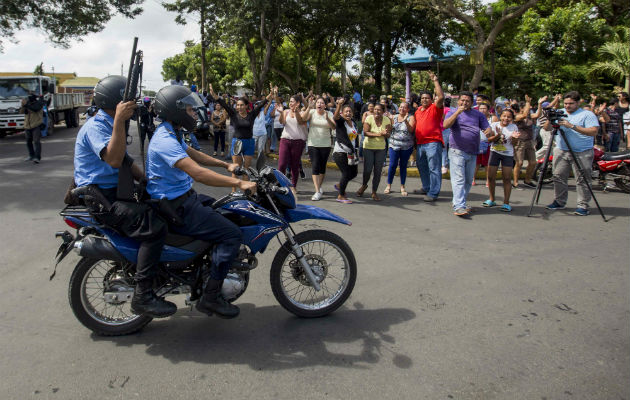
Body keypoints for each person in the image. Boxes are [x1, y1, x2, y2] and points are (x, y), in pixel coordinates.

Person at [147, 85, 257, 318]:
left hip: (183, 199)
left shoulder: (172, 132)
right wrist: (239, 183)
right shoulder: (164, 139)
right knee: (231, 235)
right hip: (176, 206)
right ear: (175, 111)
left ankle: (206, 271)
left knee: (226, 210)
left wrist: (226, 165)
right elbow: (197, 172)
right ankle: (211, 297)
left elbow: (193, 154)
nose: (195, 113)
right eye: (189, 109)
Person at [73, 75, 175, 318]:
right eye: (128, 101)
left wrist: (146, 180)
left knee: (163, 209)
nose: (134, 105)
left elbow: (126, 161)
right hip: (102, 199)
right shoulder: (97, 126)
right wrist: (119, 120)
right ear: (116, 102)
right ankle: (143, 296)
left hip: (115, 192)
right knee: (155, 228)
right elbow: (114, 159)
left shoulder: (109, 123)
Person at [209, 84, 274, 188]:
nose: (239, 107)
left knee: (246, 170)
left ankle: (245, 192)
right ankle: (234, 192)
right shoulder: (233, 114)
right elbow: (223, 104)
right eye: (237, 105)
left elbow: (262, 104)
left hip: (249, 143)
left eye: (241, 105)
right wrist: (214, 94)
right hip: (237, 142)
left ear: (246, 106)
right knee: (236, 169)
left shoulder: (252, 115)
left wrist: (270, 94)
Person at [546, 91, 599, 216]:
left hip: (582, 151)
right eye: (565, 103)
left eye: (571, 103)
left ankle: (583, 205)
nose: (567, 106)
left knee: (582, 179)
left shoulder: (587, 114)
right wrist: (550, 118)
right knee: (558, 176)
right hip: (561, 149)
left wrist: (572, 126)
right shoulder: (559, 112)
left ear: (578, 102)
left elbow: (593, 131)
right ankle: (559, 201)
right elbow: (546, 128)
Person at [443, 91, 492, 216]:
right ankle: (459, 206)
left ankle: (460, 202)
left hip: (473, 151)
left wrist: (488, 131)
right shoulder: (453, 111)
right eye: (462, 100)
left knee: (468, 180)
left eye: (467, 101)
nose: (464, 103)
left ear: (472, 102)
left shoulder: (478, 114)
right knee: (459, 179)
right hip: (457, 150)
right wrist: (458, 112)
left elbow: (487, 127)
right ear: (458, 101)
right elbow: (445, 125)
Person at [413, 71, 445, 202]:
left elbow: (441, 97)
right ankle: (426, 187)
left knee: (434, 168)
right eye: (422, 98)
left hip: (433, 142)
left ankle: (433, 192)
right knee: (422, 167)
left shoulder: (435, 108)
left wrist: (435, 81)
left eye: (427, 98)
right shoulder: (417, 111)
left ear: (431, 99)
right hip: (420, 144)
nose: (424, 100)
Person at [483, 109, 518, 212]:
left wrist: (515, 138)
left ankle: (506, 203)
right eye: (504, 116)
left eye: (508, 117)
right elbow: (489, 140)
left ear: (511, 119)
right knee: (490, 177)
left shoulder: (514, 127)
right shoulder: (494, 125)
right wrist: (498, 135)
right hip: (494, 153)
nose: (506, 118)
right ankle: (491, 199)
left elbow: (514, 144)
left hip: (507, 154)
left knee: (507, 178)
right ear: (500, 116)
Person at [303, 97, 335, 200]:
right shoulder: (312, 112)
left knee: (322, 167)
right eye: (318, 102)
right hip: (313, 143)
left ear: (325, 105)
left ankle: (319, 187)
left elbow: (334, 127)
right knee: (315, 166)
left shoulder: (329, 114)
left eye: (322, 103)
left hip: (325, 144)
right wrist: (309, 107)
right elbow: (303, 119)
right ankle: (317, 191)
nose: (319, 104)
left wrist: (327, 118)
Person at [511, 95, 544, 189]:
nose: (528, 109)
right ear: (521, 108)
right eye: (526, 107)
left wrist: (539, 104)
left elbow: (537, 115)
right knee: (519, 163)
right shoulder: (516, 117)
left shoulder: (529, 116)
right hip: (520, 142)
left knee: (533, 162)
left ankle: (527, 180)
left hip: (529, 141)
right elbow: (524, 115)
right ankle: (515, 183)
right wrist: (528, 102)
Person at [359, 103, 391, 201]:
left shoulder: (387, 120)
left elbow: (388, 135)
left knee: (377, 171)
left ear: (383, 111)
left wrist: (386, 134)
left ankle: (374, 192)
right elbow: (365, 132)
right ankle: (364, 185)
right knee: (367, 170)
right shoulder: (369, 118)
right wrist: (379, 134)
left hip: (381, 148)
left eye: (379, 110)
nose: (376, 111)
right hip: (368, 147)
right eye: (375, 110)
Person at [278, 95, 309, 194]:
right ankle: (280, 185)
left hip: (298, 142)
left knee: (294, 165)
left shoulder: (303, 113)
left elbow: (301, 122)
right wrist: (280, 113)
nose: (290, 103)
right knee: (282, 164)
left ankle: (293, 186)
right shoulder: (286, 111)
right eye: (289, 102)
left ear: (298, 103)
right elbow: (282, 122)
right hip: (285, 140)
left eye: (292, 101)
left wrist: (296, 112)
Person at [385, 102, 415, 196]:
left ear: (408, 109)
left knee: (403, 166)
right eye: (400, 107)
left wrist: (406, 121)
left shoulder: (411, 117)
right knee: (392, 165)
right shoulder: (393, 117)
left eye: (404, 107)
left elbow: (411, 130)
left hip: (406, 146)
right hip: (394, 145)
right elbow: (390, 129)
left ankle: (402, 186)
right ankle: (389, 185)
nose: (402, 109)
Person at [332, 99, 359, 204]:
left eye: (350, 111)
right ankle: (341, 195)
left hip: (351, 153)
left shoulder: (354, 123)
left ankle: (340, 185)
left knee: (354, 173)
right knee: (346, 172)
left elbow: (355, 138)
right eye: (346, 111)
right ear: (342, 113)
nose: (348, 113)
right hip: (340, 152)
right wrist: (339, 104)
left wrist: (356, 150)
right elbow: (335, 117)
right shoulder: (341, 122)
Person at [21, 92, 45, 163]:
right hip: (27, 126)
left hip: (36, 125)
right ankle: (31, 155)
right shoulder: (28, 104)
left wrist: (27, 105)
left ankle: (37, 157)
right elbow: (21, 112)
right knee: (28, 142)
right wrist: (23, 106)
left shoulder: (39, 103)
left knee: (36, 141)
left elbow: (35, 109)